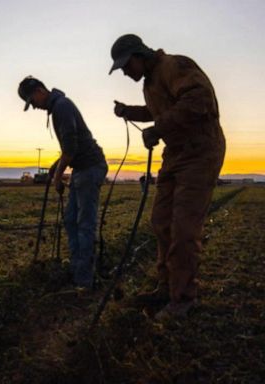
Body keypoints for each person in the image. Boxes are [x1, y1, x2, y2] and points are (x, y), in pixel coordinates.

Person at [109, 34, 225, 319]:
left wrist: (158, 129)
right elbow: (157, 111)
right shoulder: (150, 82)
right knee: (160, 221)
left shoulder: (174, 65)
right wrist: (129, 112)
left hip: (199, 152)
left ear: (139, 55)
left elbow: (199, 99)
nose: (125, 72)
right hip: (175, 155)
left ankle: (183, 298)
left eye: (126, 65)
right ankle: (166, 286)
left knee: (184, 229)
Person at [18, 76, 108, 290]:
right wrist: (56, 165)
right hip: (81, 167)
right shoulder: (58, 107)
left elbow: (71, 148)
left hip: (90, 167)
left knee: (84, 224)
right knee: (70, 220)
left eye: (33, 101)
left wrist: (58, 177)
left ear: (40, 91)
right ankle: (77, 268)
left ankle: (84, 280)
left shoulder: (62, 107)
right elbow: (70, 148)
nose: (35, 107)